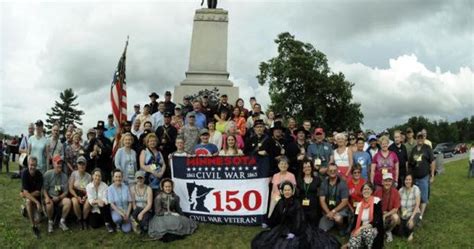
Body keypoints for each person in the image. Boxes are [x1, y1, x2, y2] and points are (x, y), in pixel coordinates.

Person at [252, 181, 341, 249]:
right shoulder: (280, 202)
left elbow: (299, 219)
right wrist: (268, 222)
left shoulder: (296, 203)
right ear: (282, 191)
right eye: (285, 190)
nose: (287, 192)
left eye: (289, 190)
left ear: (292, 191)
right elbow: (276, 216)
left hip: (296, 227)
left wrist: (294, 232)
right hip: (283, 227)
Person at [346, 182, 384, 249]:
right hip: (361, 229)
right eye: (364, 189)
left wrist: (360, 228)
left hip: (373, 228)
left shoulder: (376, 201)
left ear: (371, 191)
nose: (366, 191)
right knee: (352, 245)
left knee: (367, 233)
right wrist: (352, 235)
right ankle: (361, 243)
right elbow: (355, 222)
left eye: (368, 189)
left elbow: (376, 221)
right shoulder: (359, 205)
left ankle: (370, 246)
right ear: (362, 191)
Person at [408, 131, 435, 219]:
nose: (420, 139)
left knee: (423, 196)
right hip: (415, 178)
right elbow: (410, 163)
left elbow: (433, 161)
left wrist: (432, 175)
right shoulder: (414, 149)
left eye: (421, 137)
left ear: (424, 138)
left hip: (424, 177)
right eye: (418, 137)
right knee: (416, 196)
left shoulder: (427, 148)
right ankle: (416, 211)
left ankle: (421, 215)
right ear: (416, 139)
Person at [318, 163, 350, 233]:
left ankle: (341, 227)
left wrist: (333, 211)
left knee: (338, 218)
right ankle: (332, 223)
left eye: (334, 170)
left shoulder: (342, 183)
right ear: (327, 172)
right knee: (321, 229)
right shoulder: (323, 183)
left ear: (337, 171)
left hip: (339, 210)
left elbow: (345, 201)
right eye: (330, 170)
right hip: (328, 210)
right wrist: (328, 212)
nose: (332, 172)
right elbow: (322, 200)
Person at [43, 155, 71, 233]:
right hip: (50, 197)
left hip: (59, 198)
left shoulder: (64, 176)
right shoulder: (47, 174)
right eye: (58, 163)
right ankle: (50, 222)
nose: (60, 165)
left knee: (68, 202)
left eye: (61, 163)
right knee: (48, 204)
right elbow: (44, 189)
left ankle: (62, 221)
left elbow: (66, 192)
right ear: (53, 163)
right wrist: (47, 198)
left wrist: (59, 198)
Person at [20, 156, 43, 238]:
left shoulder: (39, 175)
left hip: (35, 198)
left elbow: (37, 192)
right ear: (28, 164)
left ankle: (25, 210)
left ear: (36, 166)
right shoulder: (24, 173)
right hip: (33, 200)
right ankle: (33, 226)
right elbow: (25, 193)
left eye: (34, 165)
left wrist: (26, 194)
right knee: (29, 201)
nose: (32, 167)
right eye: (31, 165)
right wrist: (36, 202)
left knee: (39, 219)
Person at [374, 173, 401, 243]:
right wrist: (381, 214)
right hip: (380, 214)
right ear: (382, 182)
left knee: (396, 217)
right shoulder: (377, 192)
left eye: (389, 181)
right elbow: (374, 206)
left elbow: (396, 209)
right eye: (386, 181)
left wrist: (386, 214)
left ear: (392, 182)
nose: (387, 183)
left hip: (390, 213)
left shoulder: (396, 192)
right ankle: (381, 231)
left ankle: (388, 231)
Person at [69, 156, 92, 229]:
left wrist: (85, 197)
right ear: (77, 165)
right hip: (76, 194)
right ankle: (79, 219)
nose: (81, 166)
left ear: (86, 165)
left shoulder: (89, 176)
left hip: (85, 195)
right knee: (74, 201)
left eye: (83, 164)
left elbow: (90, 189)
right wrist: (76, 196)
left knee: (88, 201)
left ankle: (84, 220)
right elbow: (70, 188)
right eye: (80, 164)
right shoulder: (74, 174)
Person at [296, 159, 321, 225]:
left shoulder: (317, 180)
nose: (307, 168)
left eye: (309, 166)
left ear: (312, 168)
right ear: (302, 169)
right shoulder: (299, 180)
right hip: (302, 208)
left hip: (314, 208)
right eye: (304, 167)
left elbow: (319, 195)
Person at [108, 169, 132, 233]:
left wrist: (127, 214)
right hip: (116, 211)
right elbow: (112, 204)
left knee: (127, 230)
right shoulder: (110, 189)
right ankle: (118, 224)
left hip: (126, 211)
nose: (118, 179)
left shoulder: (126, 187)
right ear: (113, 178)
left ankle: (124, 221)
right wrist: (121, 213)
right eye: (116, 177)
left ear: (122, 177)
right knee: (117, 219)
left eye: (119, 177)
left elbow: (130, 202)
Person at [398, 174, 421, 241]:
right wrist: (399, 215)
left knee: (410, 225)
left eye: (409, 179)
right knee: (400, 233)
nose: (408, 181)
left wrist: (411, 218)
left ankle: (412, 232)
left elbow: (417, 205)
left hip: (414, 212)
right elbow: (398, 204)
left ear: (412, 180)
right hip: (404, 214)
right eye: (406, 180)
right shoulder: (401, 190)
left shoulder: (416, 189)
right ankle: (407, 227)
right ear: (404, 181)